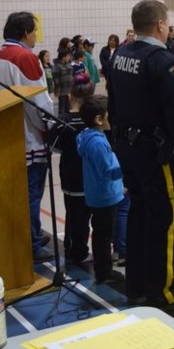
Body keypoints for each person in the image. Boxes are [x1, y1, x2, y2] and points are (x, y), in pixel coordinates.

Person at [107, 0, 174, 309]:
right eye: (168, 22)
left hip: (127, 146)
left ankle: (137, 285)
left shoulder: (120, 54)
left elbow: (112, 105)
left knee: (140, 212)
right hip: (155, 151)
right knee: (167, 217)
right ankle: (164, 290)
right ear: (159, 25)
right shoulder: (162, 60)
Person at [0, 12, 57, 262]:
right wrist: (48, 128)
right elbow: (38, 103)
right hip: (29, 137)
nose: (36, 36)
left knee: (15, 193)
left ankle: (28, 234)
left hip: (3, 136)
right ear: (26, 32)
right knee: (31, 193)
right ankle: (32, 243)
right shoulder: (25, 57)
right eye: (34, 31)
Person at [76, 95, 126, 284]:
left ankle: (103, 269)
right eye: (108, 115)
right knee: (104, 235)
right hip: (105, 196)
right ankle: (104, 272)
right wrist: (125, 169)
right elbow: (107, 171)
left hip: (99, 194)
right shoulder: (97, 143)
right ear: (99, 119)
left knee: (102, 233)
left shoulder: (89, 137)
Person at [52, 74, 95, 265]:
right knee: (89, 218)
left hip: (70, 176)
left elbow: (54, 148)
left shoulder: (63, 122)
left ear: (70, 96)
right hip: (91, 177)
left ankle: (74, 250)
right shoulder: (96, 121)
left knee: (73, 216)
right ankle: (80, 251)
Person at [52, 48, 74, 117]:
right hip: (61, 90)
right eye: (68, 56)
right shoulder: (57, 66)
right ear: (63, 57)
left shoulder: (69, 64)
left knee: (68, 106)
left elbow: (71, 75)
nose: (69, 57)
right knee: (62, 106)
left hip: (69, 89)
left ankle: (67, 118)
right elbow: (56, 79)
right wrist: (57, 90)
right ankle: (61, 119)